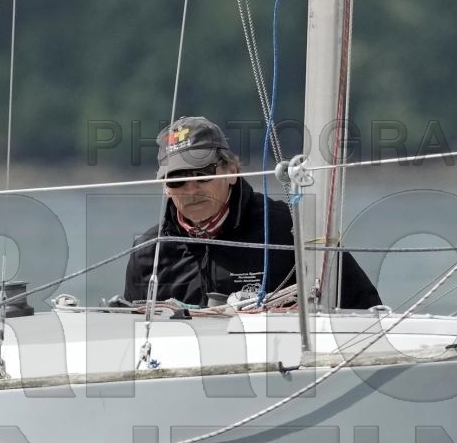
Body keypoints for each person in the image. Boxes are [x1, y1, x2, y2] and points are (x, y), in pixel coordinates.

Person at [122, 116, 383, 309]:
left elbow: (365, 310)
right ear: (165, 188)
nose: (191, 189)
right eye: (177, 180)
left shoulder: (291, 230)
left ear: (231, 171)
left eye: (202, 174)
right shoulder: (149, 252)